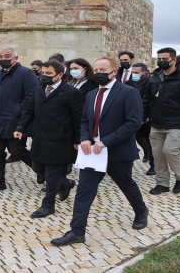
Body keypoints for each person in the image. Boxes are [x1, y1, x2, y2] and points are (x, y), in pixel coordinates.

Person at [50, 57, 148, 246]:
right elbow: (85, 120)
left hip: (118, 150)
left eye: (104, 69)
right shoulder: (91, 94)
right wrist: (85, 138)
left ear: (114, 72)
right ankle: (77, 231)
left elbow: (133, 123)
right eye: (96, 69)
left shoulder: (128, 93)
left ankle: (141, 210)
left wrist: (106, 142)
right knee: (84, 191)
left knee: (126, 184)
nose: (99, 72)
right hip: (93, 152)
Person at [14, 60, 83, 218]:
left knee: (52, 174)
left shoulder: (71, 93)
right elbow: (29, 112)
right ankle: (65, 183)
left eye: (48, 74)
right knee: (37, 166)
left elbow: (79, 119)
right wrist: (20, 128)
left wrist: (78, 140)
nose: (43, 76)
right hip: (39, 137)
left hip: (59, 140)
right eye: (42, 73)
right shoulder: (38, 91)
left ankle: (48, 206)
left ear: (59, 75)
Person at [143, 47, 180, 195]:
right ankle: (162, 183)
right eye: (159, 59)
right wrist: (143, 115)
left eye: (165, 59)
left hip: (177, 122)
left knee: (170, 150)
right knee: (157, 155)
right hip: (157, 122)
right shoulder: (155, 77)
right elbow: (147, 98)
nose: (162, 62)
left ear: (174, 60)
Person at [0, 47, 40, 193]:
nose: (3, 59)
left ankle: (45, 172)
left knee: (18, 150)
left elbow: (32, 96)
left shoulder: (26, 73)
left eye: (7, 56)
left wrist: (18, 111)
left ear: (16, 57)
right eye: (0, 56)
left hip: (15, 121)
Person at [128, 63, 155, 175]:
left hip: (146, 118)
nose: (133, 74)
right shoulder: (129, 83)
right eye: (132, 72)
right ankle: (128, 166)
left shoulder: (151, 83)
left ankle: (153, 165)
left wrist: (147, 115)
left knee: (150, 142)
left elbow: (151, 100)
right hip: (132, 117)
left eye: (136, 73)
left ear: (144, 72)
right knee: (131, 141)